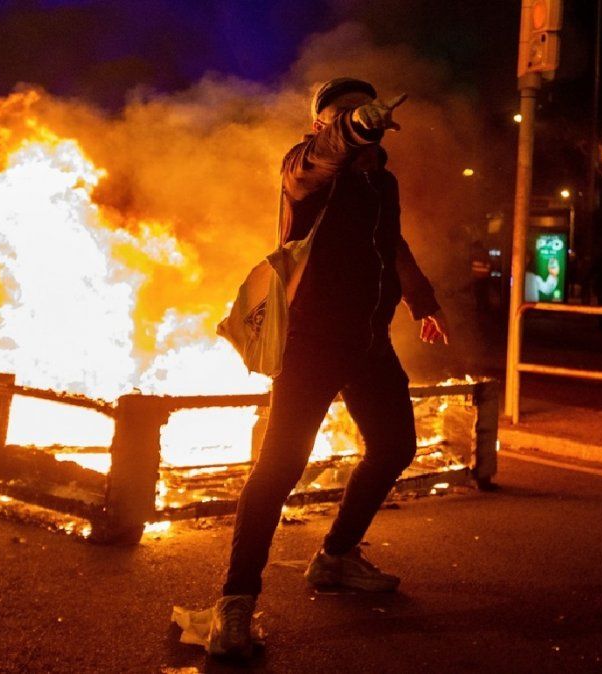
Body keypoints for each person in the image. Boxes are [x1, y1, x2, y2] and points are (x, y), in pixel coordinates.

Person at [209, 77, 450, 659]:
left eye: (365, 108)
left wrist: (422, 301)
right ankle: (234, 601)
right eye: (343, 111)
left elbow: (392, 244)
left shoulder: (381, 181)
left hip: (368, 342)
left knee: (394, 447)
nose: (361, 116)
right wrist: (354, 126)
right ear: (321, 123)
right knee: (280, 467)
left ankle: (336, 557)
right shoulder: (306, 168)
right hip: (310, 343)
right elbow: (325, 155)